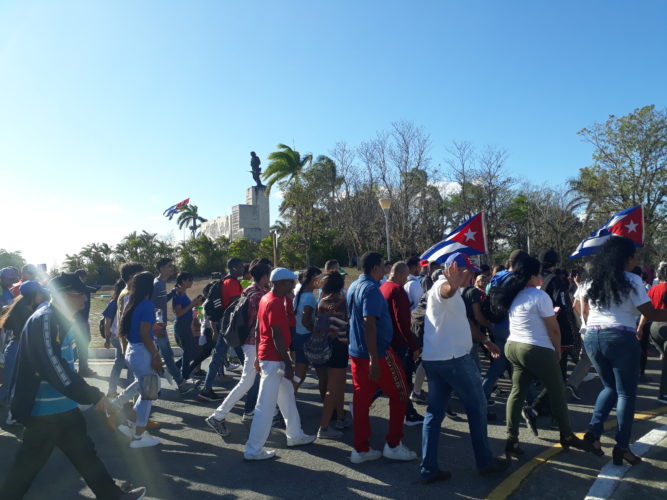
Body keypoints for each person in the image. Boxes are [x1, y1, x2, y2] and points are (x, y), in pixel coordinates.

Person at [1, 272, 145, 499]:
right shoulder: (46, 319)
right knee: (26, 467)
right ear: (62, 295)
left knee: (85, 455)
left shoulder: (58, 318)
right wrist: (92, 395)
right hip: (45, 411)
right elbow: (52, 365)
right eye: (79, 294)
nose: (85, 300)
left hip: (63, 407)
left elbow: (62, 366)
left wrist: (86, 396)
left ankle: (112, 496)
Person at [420, 252, 508, 484]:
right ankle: (485, 462)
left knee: (434, 414)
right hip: (454, 360)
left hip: (436, 359)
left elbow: (464, 321)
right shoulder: (443, 287)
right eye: (469, 272)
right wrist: (452, 284)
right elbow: (446, 292)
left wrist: (484, 340)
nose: (472, 277)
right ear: (457, 271)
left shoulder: (454, 292)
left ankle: (429, 468)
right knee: (478, 406)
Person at [581, 237, 667, 465]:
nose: (636, 260)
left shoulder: (594, 280)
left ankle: (593, 433)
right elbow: (651, 313)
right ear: (626, 258)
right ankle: (621, 447)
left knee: (609, 387)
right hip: (620, 337)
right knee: (626, 393)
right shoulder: (632, 280)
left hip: (593, 336)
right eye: (634, 256)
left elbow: (585, 309)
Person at [501, 256, 593, 458]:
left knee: (517, 392)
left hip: (513, 345)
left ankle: (511, 439)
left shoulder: (514, 294)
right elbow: (553, 329)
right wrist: (557, 350)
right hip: (535, 347)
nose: (541, 276)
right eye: (539, 273)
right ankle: (567, 435)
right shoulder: (539, 296)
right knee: (557, 390)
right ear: (532, 275)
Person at [347, 251, 417, 464]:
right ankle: (393, 444)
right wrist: (374, 358)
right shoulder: (371, 289)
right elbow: (369, 323)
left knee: (361, 400)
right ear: (375, 268)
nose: (386, 270)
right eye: (383, 266)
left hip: (357, 352)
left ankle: (361, 448)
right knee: (401, 393)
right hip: (377, 353)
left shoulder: (354, 285)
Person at [243, 267, 316, 460]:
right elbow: (276, 336)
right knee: (265, 406)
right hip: (274, 360)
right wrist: (288, 363)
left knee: (288, 398)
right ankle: (253, 449)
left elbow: (258, 329)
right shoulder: (275, 302)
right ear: (281, 283)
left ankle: (295, 435)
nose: (293, 285)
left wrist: (258, 357)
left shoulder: (266, 298)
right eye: (291, 282)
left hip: (269, 358)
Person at [206, 263, 271, 437]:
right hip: (254, 343)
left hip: (247, 342)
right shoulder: (259, 296)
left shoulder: (249, 290)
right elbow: (259, 324)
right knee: (247, 382)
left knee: (263, 380)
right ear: (264, 276)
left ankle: (271, 413)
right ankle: (218, 416)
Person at [118, 271, 164, 448]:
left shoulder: (132, 302)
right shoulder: (146, 305)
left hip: (133, 350)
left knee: (144, 387)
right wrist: (156, 355)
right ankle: (138, 436)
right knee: (148, 394)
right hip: (142, 352)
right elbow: (145, 334)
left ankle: (127, 421)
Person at [380, 261, 423, 425]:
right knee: (402, 380)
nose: (406, 280)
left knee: (393, 380)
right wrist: (413, 345)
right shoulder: (397, 290)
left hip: (388, 341)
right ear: (398, 274)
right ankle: (408, 414)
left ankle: (408, 412)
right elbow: (403, 322)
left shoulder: (384, 287)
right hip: (398, 343)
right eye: (405, 276)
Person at [199, 258, 246, 401]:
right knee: (226, 354)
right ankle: (253, 385)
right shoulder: (231, 283)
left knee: (231, 354)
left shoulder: (225, 281)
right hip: (229, 325)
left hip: (224, 323)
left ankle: (206, 389)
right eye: (241, 267)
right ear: (233, 268)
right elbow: (236, 305)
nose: (243, 269)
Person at [0, 281, 50, 406]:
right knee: (11, 387)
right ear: (34, 295)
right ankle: (10, 414)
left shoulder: (18, 307)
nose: (42, 296)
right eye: (40, 293)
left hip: (15, 348)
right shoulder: (29, 312)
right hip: (19, 349)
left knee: (10, 385)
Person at [316, 271, 352, 439]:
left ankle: (340, 417)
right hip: (339, 346)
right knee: (333, 388)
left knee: (337, 385)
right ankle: (324, 428)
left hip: (325, 347)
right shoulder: (342, 303)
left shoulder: (322, 302)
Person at [150, 258, 192, 395]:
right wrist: (157, 325)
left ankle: (156, 386)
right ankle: (180, 383)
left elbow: (161, 301)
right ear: (161, 268)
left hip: (159, 325)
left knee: (163, 355)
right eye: (169, 266)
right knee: (167, 355)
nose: (172, 268)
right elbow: (152, 305)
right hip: (157, 327)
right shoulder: (157, 285)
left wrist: (173, 293)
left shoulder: (161, 284)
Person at [292, 266, 325, 393]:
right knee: (323, 375)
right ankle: (328, 403)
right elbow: (306, 320)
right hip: (307, 339)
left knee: (299, 375)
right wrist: (316, 332)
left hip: (299, 336)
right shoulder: (309, 297)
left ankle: (288, 398)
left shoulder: (300, 294)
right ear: (313, 278)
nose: (321, 281)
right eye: (320, 278)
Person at [103, 279, 134, 398]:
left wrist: (107, 339)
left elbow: (107, 322)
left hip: (114, 336)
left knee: (118, 363)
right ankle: (130, 393)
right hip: (121, 336)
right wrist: (107, 339)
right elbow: (107, 322)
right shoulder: (123, 301)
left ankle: (111, 391)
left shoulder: (114, 302)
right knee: (130, 364)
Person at [172, 272, 204, 382]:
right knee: (189, 351)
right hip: (182, 325)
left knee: (191, 351)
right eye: (190, 280)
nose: (192, 282)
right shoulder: (178, 295)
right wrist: (192, 304)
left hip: (186, 325)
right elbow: (178, 313)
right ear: (183, 281)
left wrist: (195, 305)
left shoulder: (182, 293)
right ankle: (184, 376)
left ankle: (175, 368)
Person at [643, 261, 667, 404]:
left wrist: (640, 327)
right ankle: (664, 393)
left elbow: (645, 310)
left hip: (653, 327)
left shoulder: (653, 289)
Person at [74, 269, 100, 377]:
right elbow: (101, 288)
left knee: (84, 342)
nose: (84, 279)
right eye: (83, 277)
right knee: (83, 343)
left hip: (82, 320)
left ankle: (81, 366)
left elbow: (99, 288)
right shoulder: (79, 287)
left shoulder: (83, 287)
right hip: (78, 321)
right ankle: (83, 368)